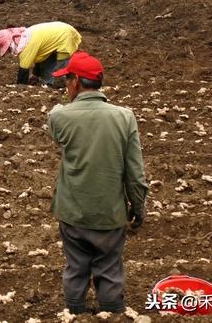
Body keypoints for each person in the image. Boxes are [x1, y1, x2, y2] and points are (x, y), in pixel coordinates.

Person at [47, 51, 148, 315]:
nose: (66, 84)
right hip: (110, 214)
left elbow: (56, 119)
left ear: (76, 81)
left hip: (73, 212)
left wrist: (65, 104)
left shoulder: (60, 117)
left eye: (67, 79)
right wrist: (138, 208)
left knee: (76, 267)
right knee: (110, 267)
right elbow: (135, 173)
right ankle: (112, 313)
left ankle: (75, 314)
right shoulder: (125, 117)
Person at [0, 21, 82, 86]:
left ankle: (65, 86)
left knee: (61, 69)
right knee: (46, 60)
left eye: (8, 48)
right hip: (60, 31)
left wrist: (20, 87)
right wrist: (36, 75)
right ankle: (48, 83)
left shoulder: (26, 47)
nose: (9, 51)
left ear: (11, 42)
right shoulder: (26, 35)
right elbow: (40, 57)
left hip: (65, 36)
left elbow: (23, 71)